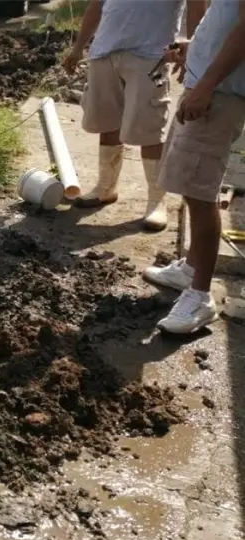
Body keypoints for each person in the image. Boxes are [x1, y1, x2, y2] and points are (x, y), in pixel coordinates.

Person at [143, 0, 245, 334]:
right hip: (209, 88)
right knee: (190, 186)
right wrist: (195, 48)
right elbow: (226, 23)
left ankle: (200, 296)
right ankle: (190, 268)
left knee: (201, 194)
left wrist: (206, 84)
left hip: (218, 95)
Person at [62, 0, 206, 231]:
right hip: (105, 50)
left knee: (148, 126)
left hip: (151, 54)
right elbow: (96, 6)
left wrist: (195, 51)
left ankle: (156, 201)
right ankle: (106, 187)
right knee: (107, 121)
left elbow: (197, 7)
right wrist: (79, 47)